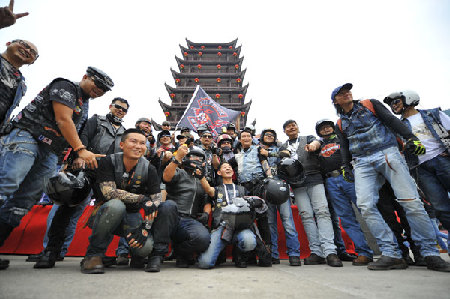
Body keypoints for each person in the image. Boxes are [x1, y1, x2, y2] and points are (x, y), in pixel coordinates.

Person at [0, 66, 113, 270]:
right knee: (6, 185)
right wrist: (81, 150)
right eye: (97, 84)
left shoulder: (84, 104)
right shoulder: (66, 86)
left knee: (25, 200)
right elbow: (63, 119)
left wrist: (65, 160)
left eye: (104, 90)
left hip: (52, 151)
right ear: (85, 77)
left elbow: (71, 131)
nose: (99, 91)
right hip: (29, 136)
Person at [332, 82, 449, 272]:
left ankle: (430, 253)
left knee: (411, 202)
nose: (347, 93)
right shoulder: (340, 123)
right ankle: (391, 253)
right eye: (341, 93)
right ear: (335, 100)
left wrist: (411, 137)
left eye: (348, 91)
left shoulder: (370, 104)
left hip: (387, 153)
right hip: (361, 161)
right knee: (365, 205)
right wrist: (346, 166)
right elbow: (344, 146)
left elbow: (391, 121)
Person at [31, 97, 129, 268]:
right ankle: (51, 251)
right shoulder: (96, 121)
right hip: (86, 169)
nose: (120, 110)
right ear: (110, 106)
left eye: (124, 109)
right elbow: (81, 139)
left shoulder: (125, 132)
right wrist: (76, 158)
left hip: (107, 175)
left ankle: (96, 253)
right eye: (118, 107)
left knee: (110, 213)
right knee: (66, 210)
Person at [80, 129, 161, 274]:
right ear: (122, 144)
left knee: (145, 249)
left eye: (142, 143)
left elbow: (156, 200)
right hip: (107, 212)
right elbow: (108, 192)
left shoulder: (149, 168)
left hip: (132, 215)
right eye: (133, 141)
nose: (138, 146)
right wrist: (140, 198)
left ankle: (135, 256)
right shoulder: (108, 161)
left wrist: (145, 228)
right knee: (116, 205)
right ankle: (93, 255)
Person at [384, 90, 450, 233]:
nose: (393, 106)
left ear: (409, 99)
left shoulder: (433, 113)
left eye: (396, 101)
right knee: (440, 208)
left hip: (443, 159)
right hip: (420, 168)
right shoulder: (397, 126)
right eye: (391, 104)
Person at [280, 120, 342, 267]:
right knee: (306, 216)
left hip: (314, 178)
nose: (292, 127)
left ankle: (330, 251)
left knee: (322, 212)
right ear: (285, 131)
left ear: (298, 127)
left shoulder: (308, 138)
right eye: (288, 126)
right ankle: (316, 252)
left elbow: (317, 143)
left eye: (294, 124)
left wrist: (313, 146)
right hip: (297, 185)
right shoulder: (283, 147)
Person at [315, 119, 373, 265]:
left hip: (349, 176)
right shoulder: (319, 146)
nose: (326, 129)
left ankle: (391, 250)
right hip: (330, 181)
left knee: (368, 210)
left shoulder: (343, 138)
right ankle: (364, 252)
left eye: (328, 126)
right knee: (346, 218)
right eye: (322, 128)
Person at [146, 146, 211, 272]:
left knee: (203, 239)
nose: (196, 159)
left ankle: (181, 252)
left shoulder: (203, 180)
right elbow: (166, 177)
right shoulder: (179, 172)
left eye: (199, 157)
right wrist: (177, 158)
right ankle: (157, 255)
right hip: (171, 216)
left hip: (189, 221)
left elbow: (207, 200)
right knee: (169, 205)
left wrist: (206, 214)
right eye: (193, 156)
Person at [198, 162, 260, 269]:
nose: (228, 168)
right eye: (224, 167)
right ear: (219, 172)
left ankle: (240, 254)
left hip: (241, 226)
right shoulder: (217, 189)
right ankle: (219, 253)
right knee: (205, 263)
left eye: (230, 167)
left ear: (233, 172)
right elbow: (208, 189)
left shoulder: (242, 189)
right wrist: (201, 177)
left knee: (249, 242)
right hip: (222, 226)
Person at [227, 129, 273, 266]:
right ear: (239, 140)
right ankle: (248, 255)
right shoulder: (237, 155)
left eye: (248, 136)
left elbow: (266, 166)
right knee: (246, 219)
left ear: (252, 138)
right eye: (243, 136)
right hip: (244, 188)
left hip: (259, 185)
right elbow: (225, 166)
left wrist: (269, 179)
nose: (246, 138)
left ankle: (268, 253)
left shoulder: (259, 150)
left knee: (263, 219)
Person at [259, 128, 301, 266]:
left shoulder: (281, 146)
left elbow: (287, 153)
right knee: (270, 223)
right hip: (268, 188)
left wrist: (270, 153)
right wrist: (270, 177)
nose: (269, 136)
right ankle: (274, 254)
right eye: (267, 135)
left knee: (288, 221)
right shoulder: (259, 149)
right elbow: (264, 163)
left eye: (272, 135)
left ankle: (294, 254)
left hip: (283, 186)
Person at [1, 39, 38, 127]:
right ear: (8, 43)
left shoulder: (22, 85)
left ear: (32, 62)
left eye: (33, 52)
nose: (28, 50)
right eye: (24, 45)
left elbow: (7, 109)